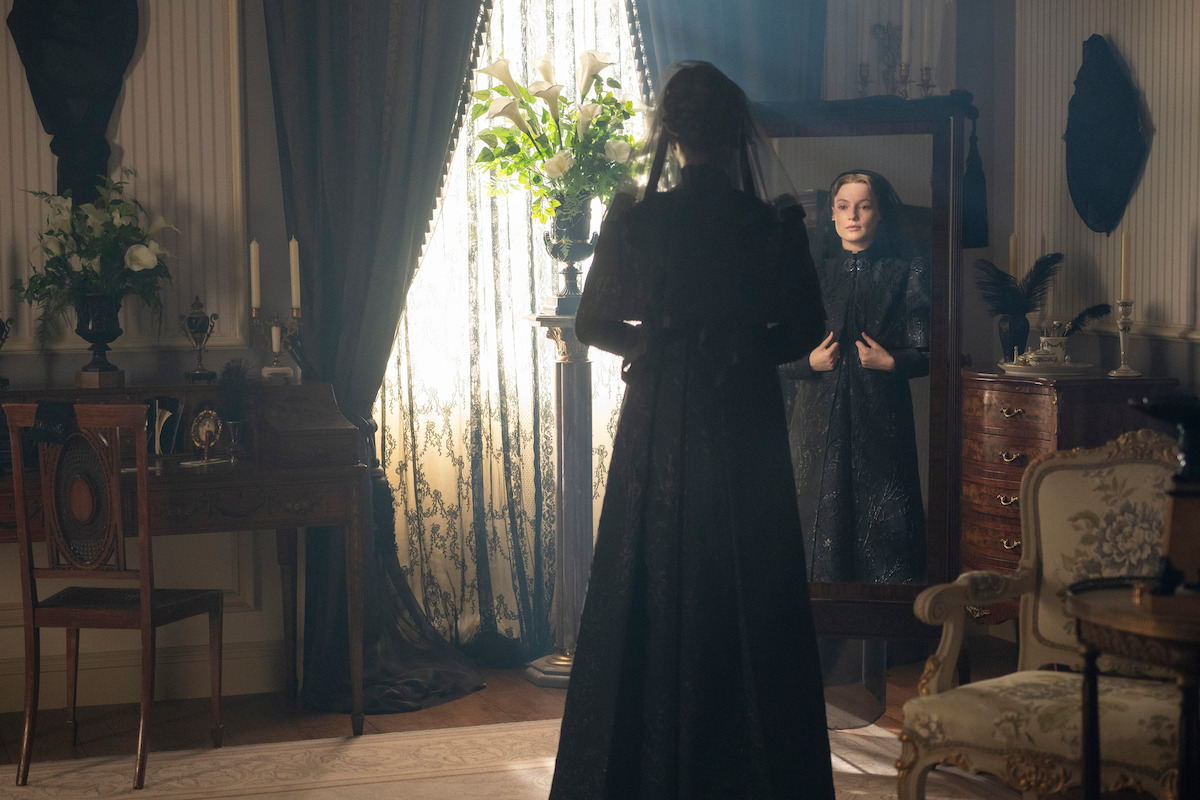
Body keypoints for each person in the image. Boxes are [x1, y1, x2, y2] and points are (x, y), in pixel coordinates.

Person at [549, 61, 834, 799]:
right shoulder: (768, 224)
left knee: (652, 572)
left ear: (672, 135)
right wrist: (743, 349)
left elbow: (592, 323)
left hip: (661, 419)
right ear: (735, 129)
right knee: (748, 575)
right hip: (743, 417)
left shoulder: (639, 221)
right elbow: (805, 327)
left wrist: (657, 348)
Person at [783, 170, 930, 727]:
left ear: (879, 213)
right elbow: (778, 349)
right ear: (832, 214)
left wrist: (894, 362)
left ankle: (887, 647)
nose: (852, 216)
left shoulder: (904, 271)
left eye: (863, 206)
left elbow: (927, 345)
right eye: (843, 206)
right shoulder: (813, 273)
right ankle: (817, 644)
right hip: (815, 421)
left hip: (879, 418)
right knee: (817, 511)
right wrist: (808, 365)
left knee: (880, 516)